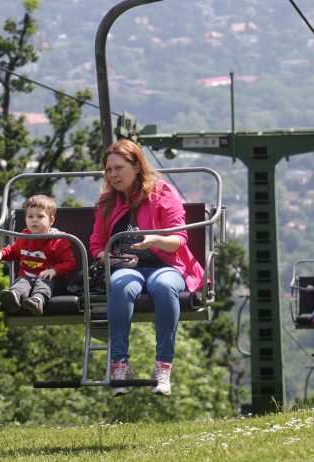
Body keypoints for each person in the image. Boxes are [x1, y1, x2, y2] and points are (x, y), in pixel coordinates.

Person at [89, 139, 204, 397]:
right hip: (126, 267)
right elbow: (96, 244)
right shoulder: (107, 202)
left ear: (136, 166)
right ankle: (120, 366)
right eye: (109, 170)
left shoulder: (161, 193)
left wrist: (155, 240)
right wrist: (110, 259)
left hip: (166, 264)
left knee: (164, 287)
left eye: (119, 168)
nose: (113, 175)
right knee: (120, 286)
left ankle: (163, 367)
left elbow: (178, 239)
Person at [0, 194, 76, 315]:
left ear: (51, 220)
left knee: (44, 283)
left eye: (40, 216)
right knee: (21, 282)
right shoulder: (24, 237)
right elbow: (13, 250)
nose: (34, 220)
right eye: (30, 216)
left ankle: (37, 301)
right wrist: (1, 254)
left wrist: (54, 271)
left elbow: (70, 263)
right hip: (28, 280)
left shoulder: (58, 240)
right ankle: (13, 297)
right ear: (25, 219)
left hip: (52, 282)